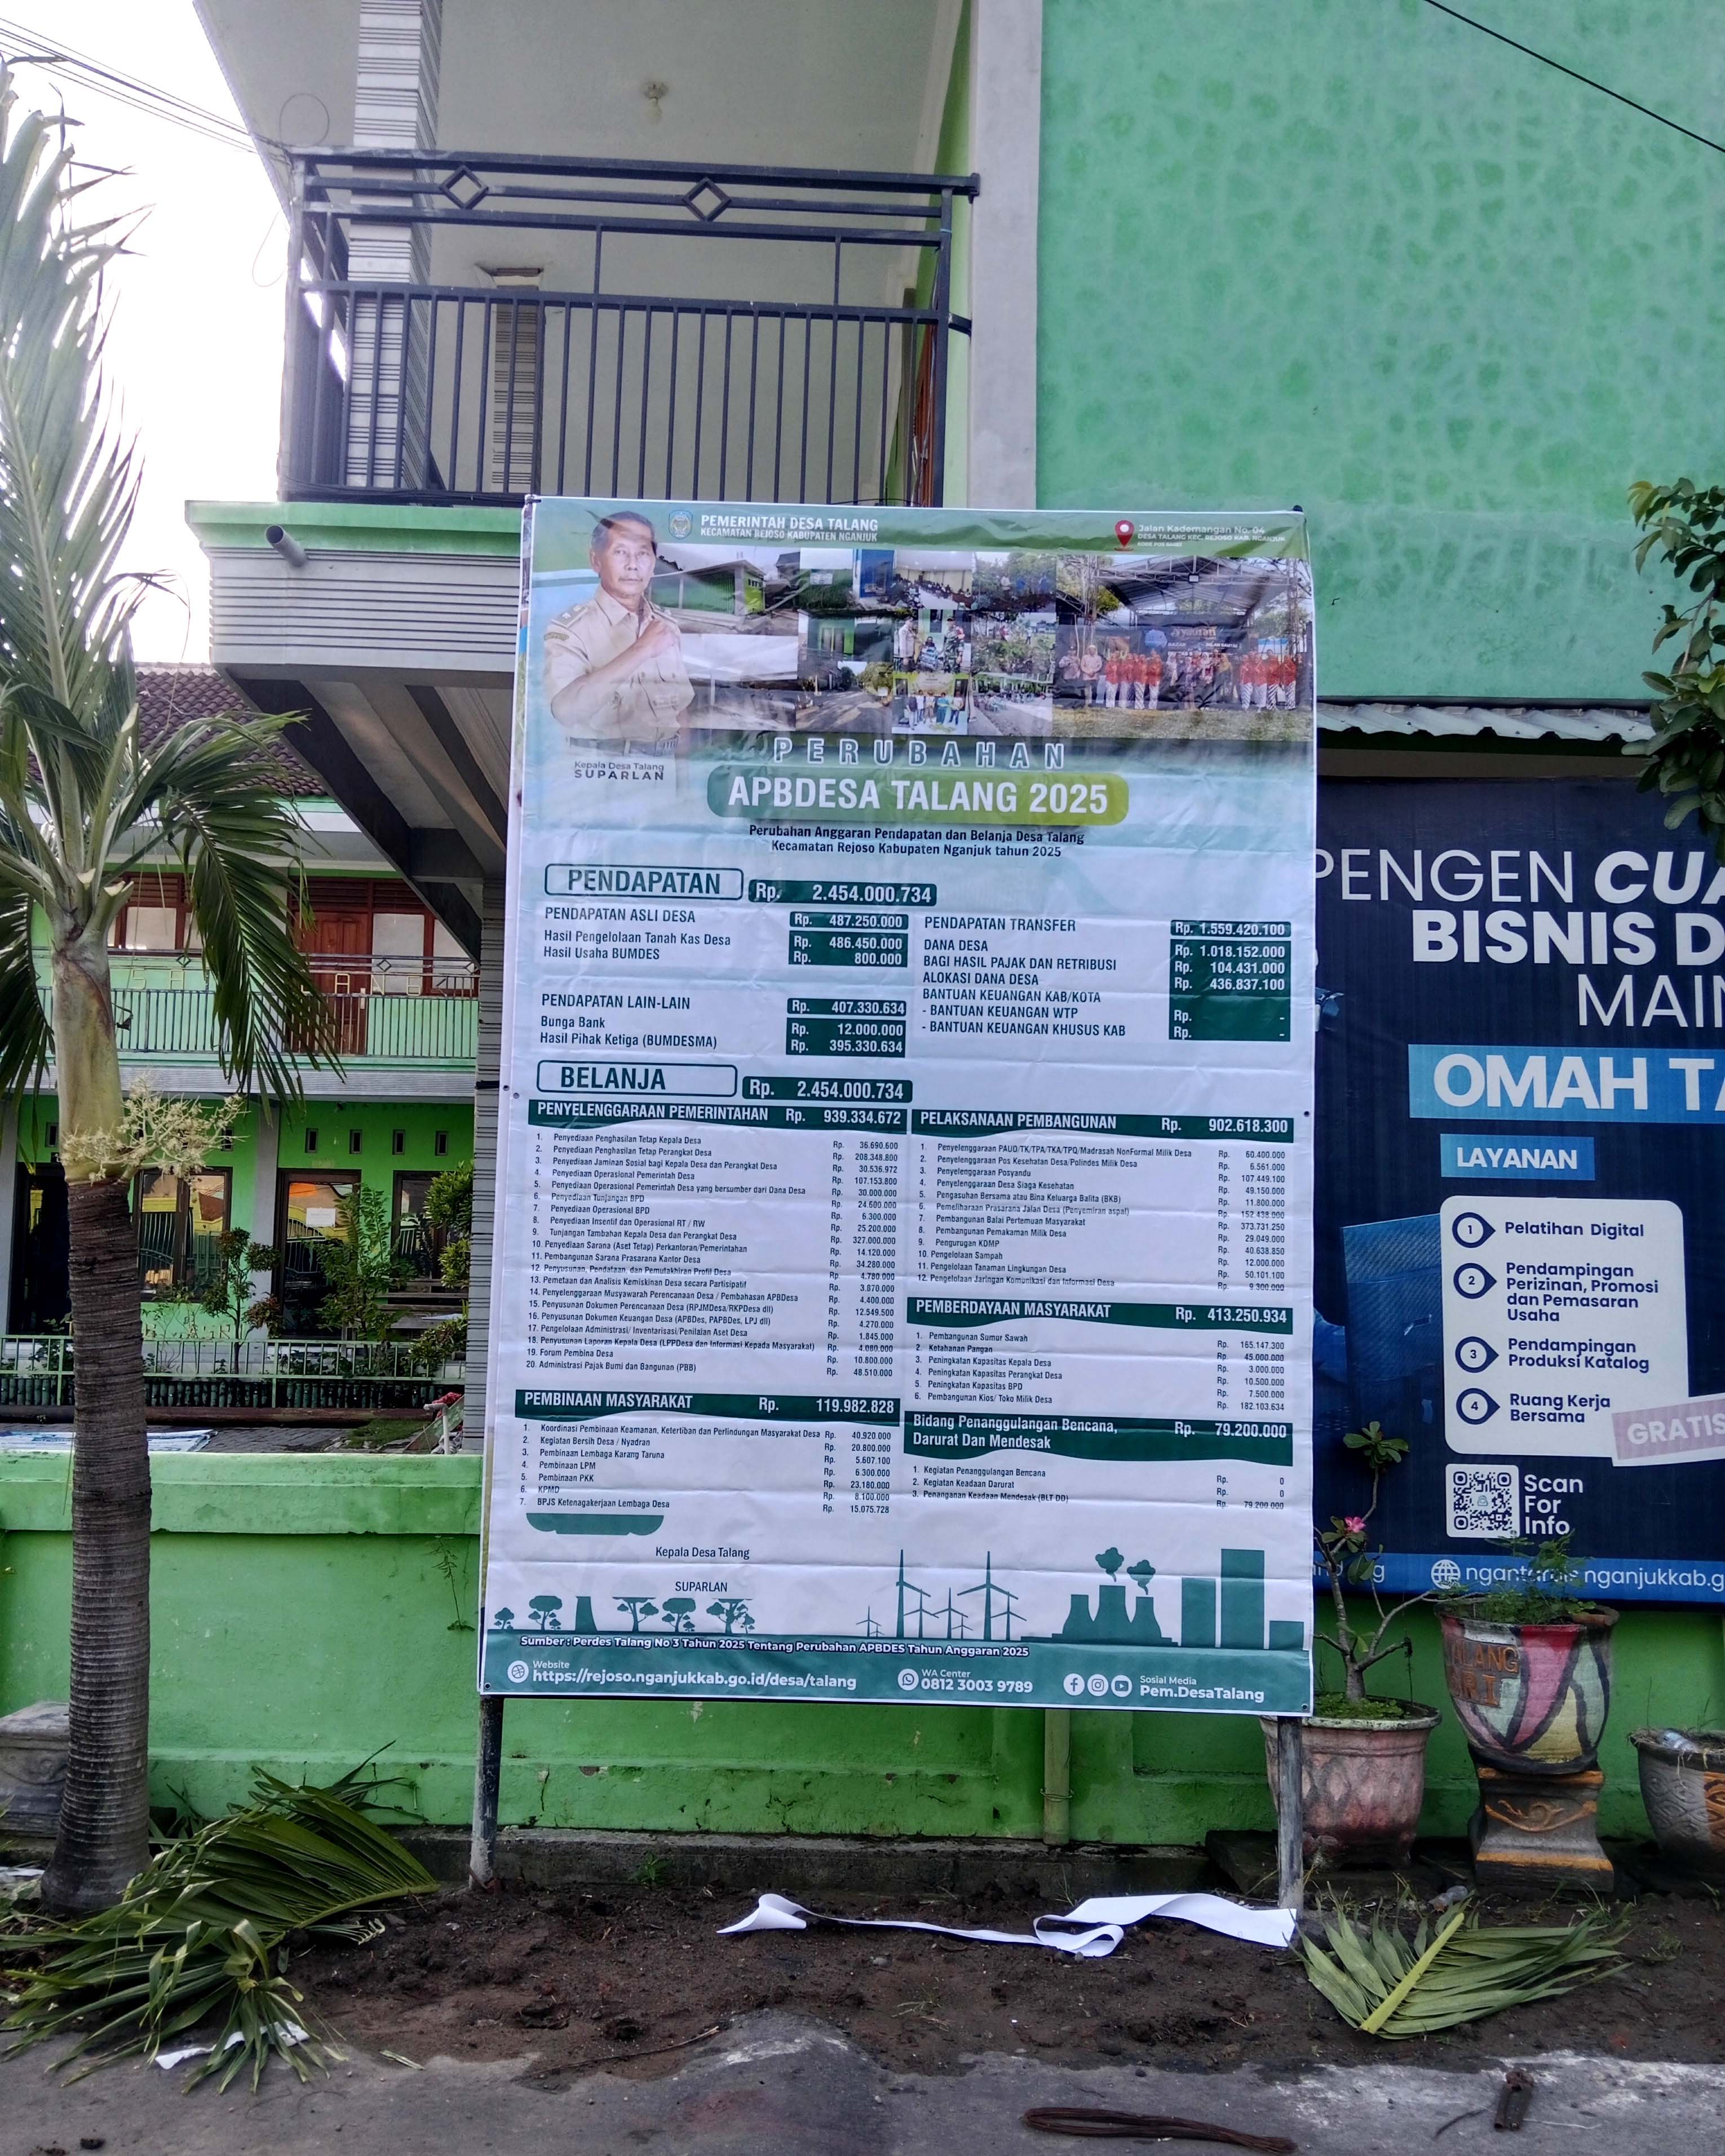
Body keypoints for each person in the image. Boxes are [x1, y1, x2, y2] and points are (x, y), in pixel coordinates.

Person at [543, 512, 693, 752]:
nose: (633, 564)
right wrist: (641, 650)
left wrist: (683, 776)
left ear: (654, 563)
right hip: (603, 768)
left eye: (643, 553)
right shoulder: (572, 630)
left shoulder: (666, 627)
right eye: (621, 552)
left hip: (664, 768)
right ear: (596, 561)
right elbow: (566, 712)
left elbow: (681, 712)